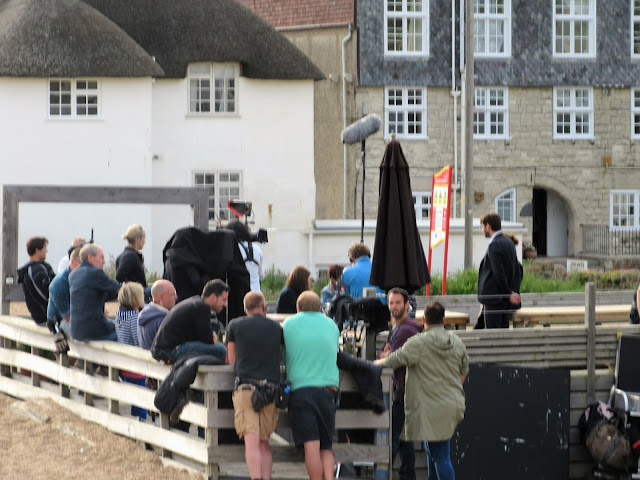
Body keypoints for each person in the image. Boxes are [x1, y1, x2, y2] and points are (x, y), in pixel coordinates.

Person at [376, 301, 468, 480]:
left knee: (440, 455)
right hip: (451, 405)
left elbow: (392, 360)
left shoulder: (417, 343)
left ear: (424, 319)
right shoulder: (457, 342)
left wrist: (369, 364)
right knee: (433, 451)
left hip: (430, 407)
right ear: (444, 320)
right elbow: (464, 371)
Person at [226, 291, 283, 480]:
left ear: (245, 309)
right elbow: (279, 357)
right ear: (264, 307)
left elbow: (232, 360)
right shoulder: (276, 328)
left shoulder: (234, 325)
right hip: (270, 389)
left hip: (246, 387)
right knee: (264, 442)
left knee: (251, 441)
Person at [283, 291, 339, 480]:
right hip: (328, 392)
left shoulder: (289, 324)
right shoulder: (331, 325)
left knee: (311, 447)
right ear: (320, 307)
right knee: (326, 447)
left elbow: (284, 355)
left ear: (298, 308)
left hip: (301, 391)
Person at [378, 287, 422, 480]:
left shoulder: (405, 330)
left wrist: (387, 354)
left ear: (407, 305)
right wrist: (386, 353)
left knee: (394, 436)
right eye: (391, 303)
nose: (394, 306)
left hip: (404, 388)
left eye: (398, 303)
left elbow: (392, 359)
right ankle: (407, 475)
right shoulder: (398, 327)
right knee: (404, 437)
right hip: (403, 386)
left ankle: (383, 475)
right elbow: (384, 351)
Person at [150, 279, 228, 364]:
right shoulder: (201, 307)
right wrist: (211, 337)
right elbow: (208, 340)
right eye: (223, 300)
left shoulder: (195, 303)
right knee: (221, 349)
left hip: (161, 351)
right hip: (168, 352)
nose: (225, 304)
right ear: (213, 297)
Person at [476, 212, 521, 329]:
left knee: (493, 333)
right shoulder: (509, 242)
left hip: (494, 298)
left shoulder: (494, 245)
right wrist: (511, 292)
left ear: (488, 226)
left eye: (482, 226)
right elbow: (516, 269)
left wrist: (507, 293)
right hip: (505, 300)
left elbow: (498, 273)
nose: (482, 230)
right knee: (503, 332)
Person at [69, 244, 120, 341]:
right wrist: (142, 291)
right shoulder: (95, 273)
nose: (104, 261)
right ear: (90, 257)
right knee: (125, 332)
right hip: (92, 331)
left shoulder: (73, 274)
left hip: (76, 331)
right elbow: (120, 289)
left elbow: (92, 296)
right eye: (101, 257)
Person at [114, 281, 147, 420]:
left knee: (135, 396)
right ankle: (141, 421)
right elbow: (138, 341)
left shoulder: (120, 315)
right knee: (140, 398)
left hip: (124, 361)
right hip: (135, 363)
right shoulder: (134, 317)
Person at [17, 236, 56, 326]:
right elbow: (46, 294)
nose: (46, 251)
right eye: (44, 248)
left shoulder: (28, 268)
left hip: (39, 317)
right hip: (46, 317)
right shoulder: (37, 269)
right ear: (37, 250)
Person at [47, 246, 82, 337]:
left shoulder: (81, 279)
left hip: (76, 318)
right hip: (60, 323)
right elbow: (67, 316)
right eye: (82, 263)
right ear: (73, 262)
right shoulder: (60, 282)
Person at [137, 279, 178, 350]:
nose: (176, 297)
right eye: (173, 294)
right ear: (161, 297)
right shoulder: (163, 319)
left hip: (145, 355)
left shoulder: (144, 314)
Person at [226, 219, 263, 292]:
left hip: (238, 293)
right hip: (256, 293)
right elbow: (261, 274)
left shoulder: (231, 249)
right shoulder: (257, 249)